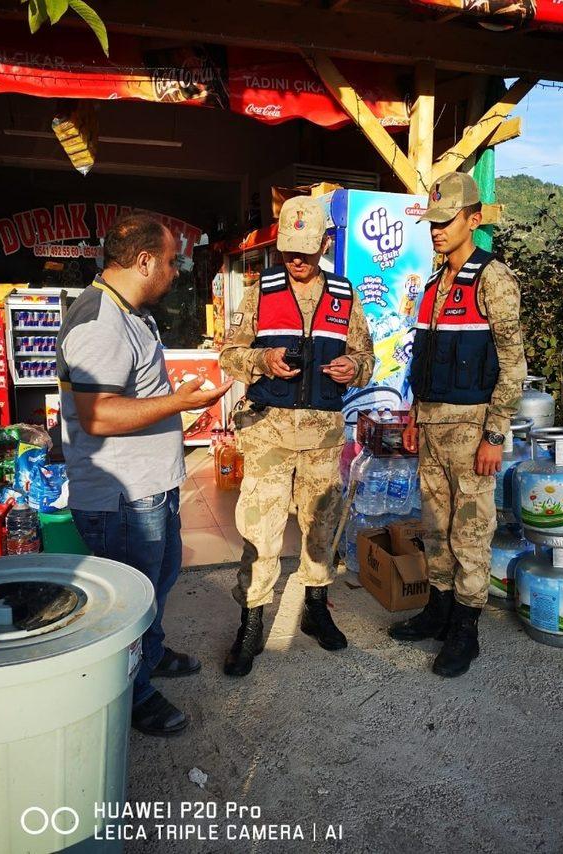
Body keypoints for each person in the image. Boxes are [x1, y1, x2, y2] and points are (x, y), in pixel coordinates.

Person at [57, 213, 232, 736]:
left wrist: (175, 398)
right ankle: (133, 695)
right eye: (173, 261)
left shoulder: (130, 313)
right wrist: (178, 401)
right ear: (144, 261)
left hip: (150, 491)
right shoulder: (99, 322)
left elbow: (130, 393)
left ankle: (149, 656)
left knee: (157, 585)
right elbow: (98, 415)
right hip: (123, 499)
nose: (177, 271)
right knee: (129, 604)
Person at [219, 196, 374, 677]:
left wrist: (355, 368)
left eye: (306, 250)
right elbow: (228, 353)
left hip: (324, 436)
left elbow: (366, 360)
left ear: (325, 243)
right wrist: (261, 361)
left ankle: (316, 609)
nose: (297, 260)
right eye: (289, 250)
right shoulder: (260, 291)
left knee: (320, 528)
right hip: (267, 433)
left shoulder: (345, 296)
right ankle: (251, 622)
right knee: (260, 533)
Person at [389, 172, 527, 678]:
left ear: (473, 219)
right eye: (433, 222)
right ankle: (439, 610)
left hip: (472, 433)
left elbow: (513, 363)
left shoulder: (493, 279)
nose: (437, 229)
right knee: (435, 528)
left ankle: (466, 628)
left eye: (448, 221)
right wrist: (413, 418)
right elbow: (420, 361)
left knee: (470, 532)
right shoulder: (432, 283)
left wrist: (495, 434)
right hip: (430, 428)